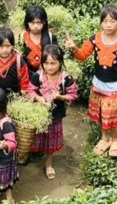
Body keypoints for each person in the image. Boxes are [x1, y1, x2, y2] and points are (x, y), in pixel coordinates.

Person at [67, 4, 117, 158]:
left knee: (112, 115)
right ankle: (105, 138)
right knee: (101, 113)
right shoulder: (95, 39)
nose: (108, 25)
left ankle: (116, 139)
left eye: (112, 21)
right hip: (98, 84)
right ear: (100, 23)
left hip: (115, 87)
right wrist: (73, 48)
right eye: (105, 21)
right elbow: (83, 55)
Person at [26, 43, 79, 180]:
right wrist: (38, 98)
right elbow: (30, 91)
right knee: (36, 137)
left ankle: (49, 163)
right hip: (39, 116)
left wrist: (60, 96)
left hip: (56, 116)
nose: (49, 67)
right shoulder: (38, 76)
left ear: (60, 62)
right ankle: (32, 155)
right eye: (46, 63)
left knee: (51, 140)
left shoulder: (65, 79)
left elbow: (73, 95)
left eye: (53, 63)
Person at [20, 5, 59, 79]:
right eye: (32, 22)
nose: (35, 26)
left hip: (47, 74)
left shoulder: (50, 37)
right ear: (27, 22)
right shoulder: (22, 37)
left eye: (38, 22)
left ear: (44, 22)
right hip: (27, 74)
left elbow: (56, 57)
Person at [0, 26, 28, 95]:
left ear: (12, 45)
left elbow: (25, 80)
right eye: (1, 46)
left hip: (15, 99)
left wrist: (24, 96)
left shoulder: (18, 60)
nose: (5, 50)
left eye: (8, 46)